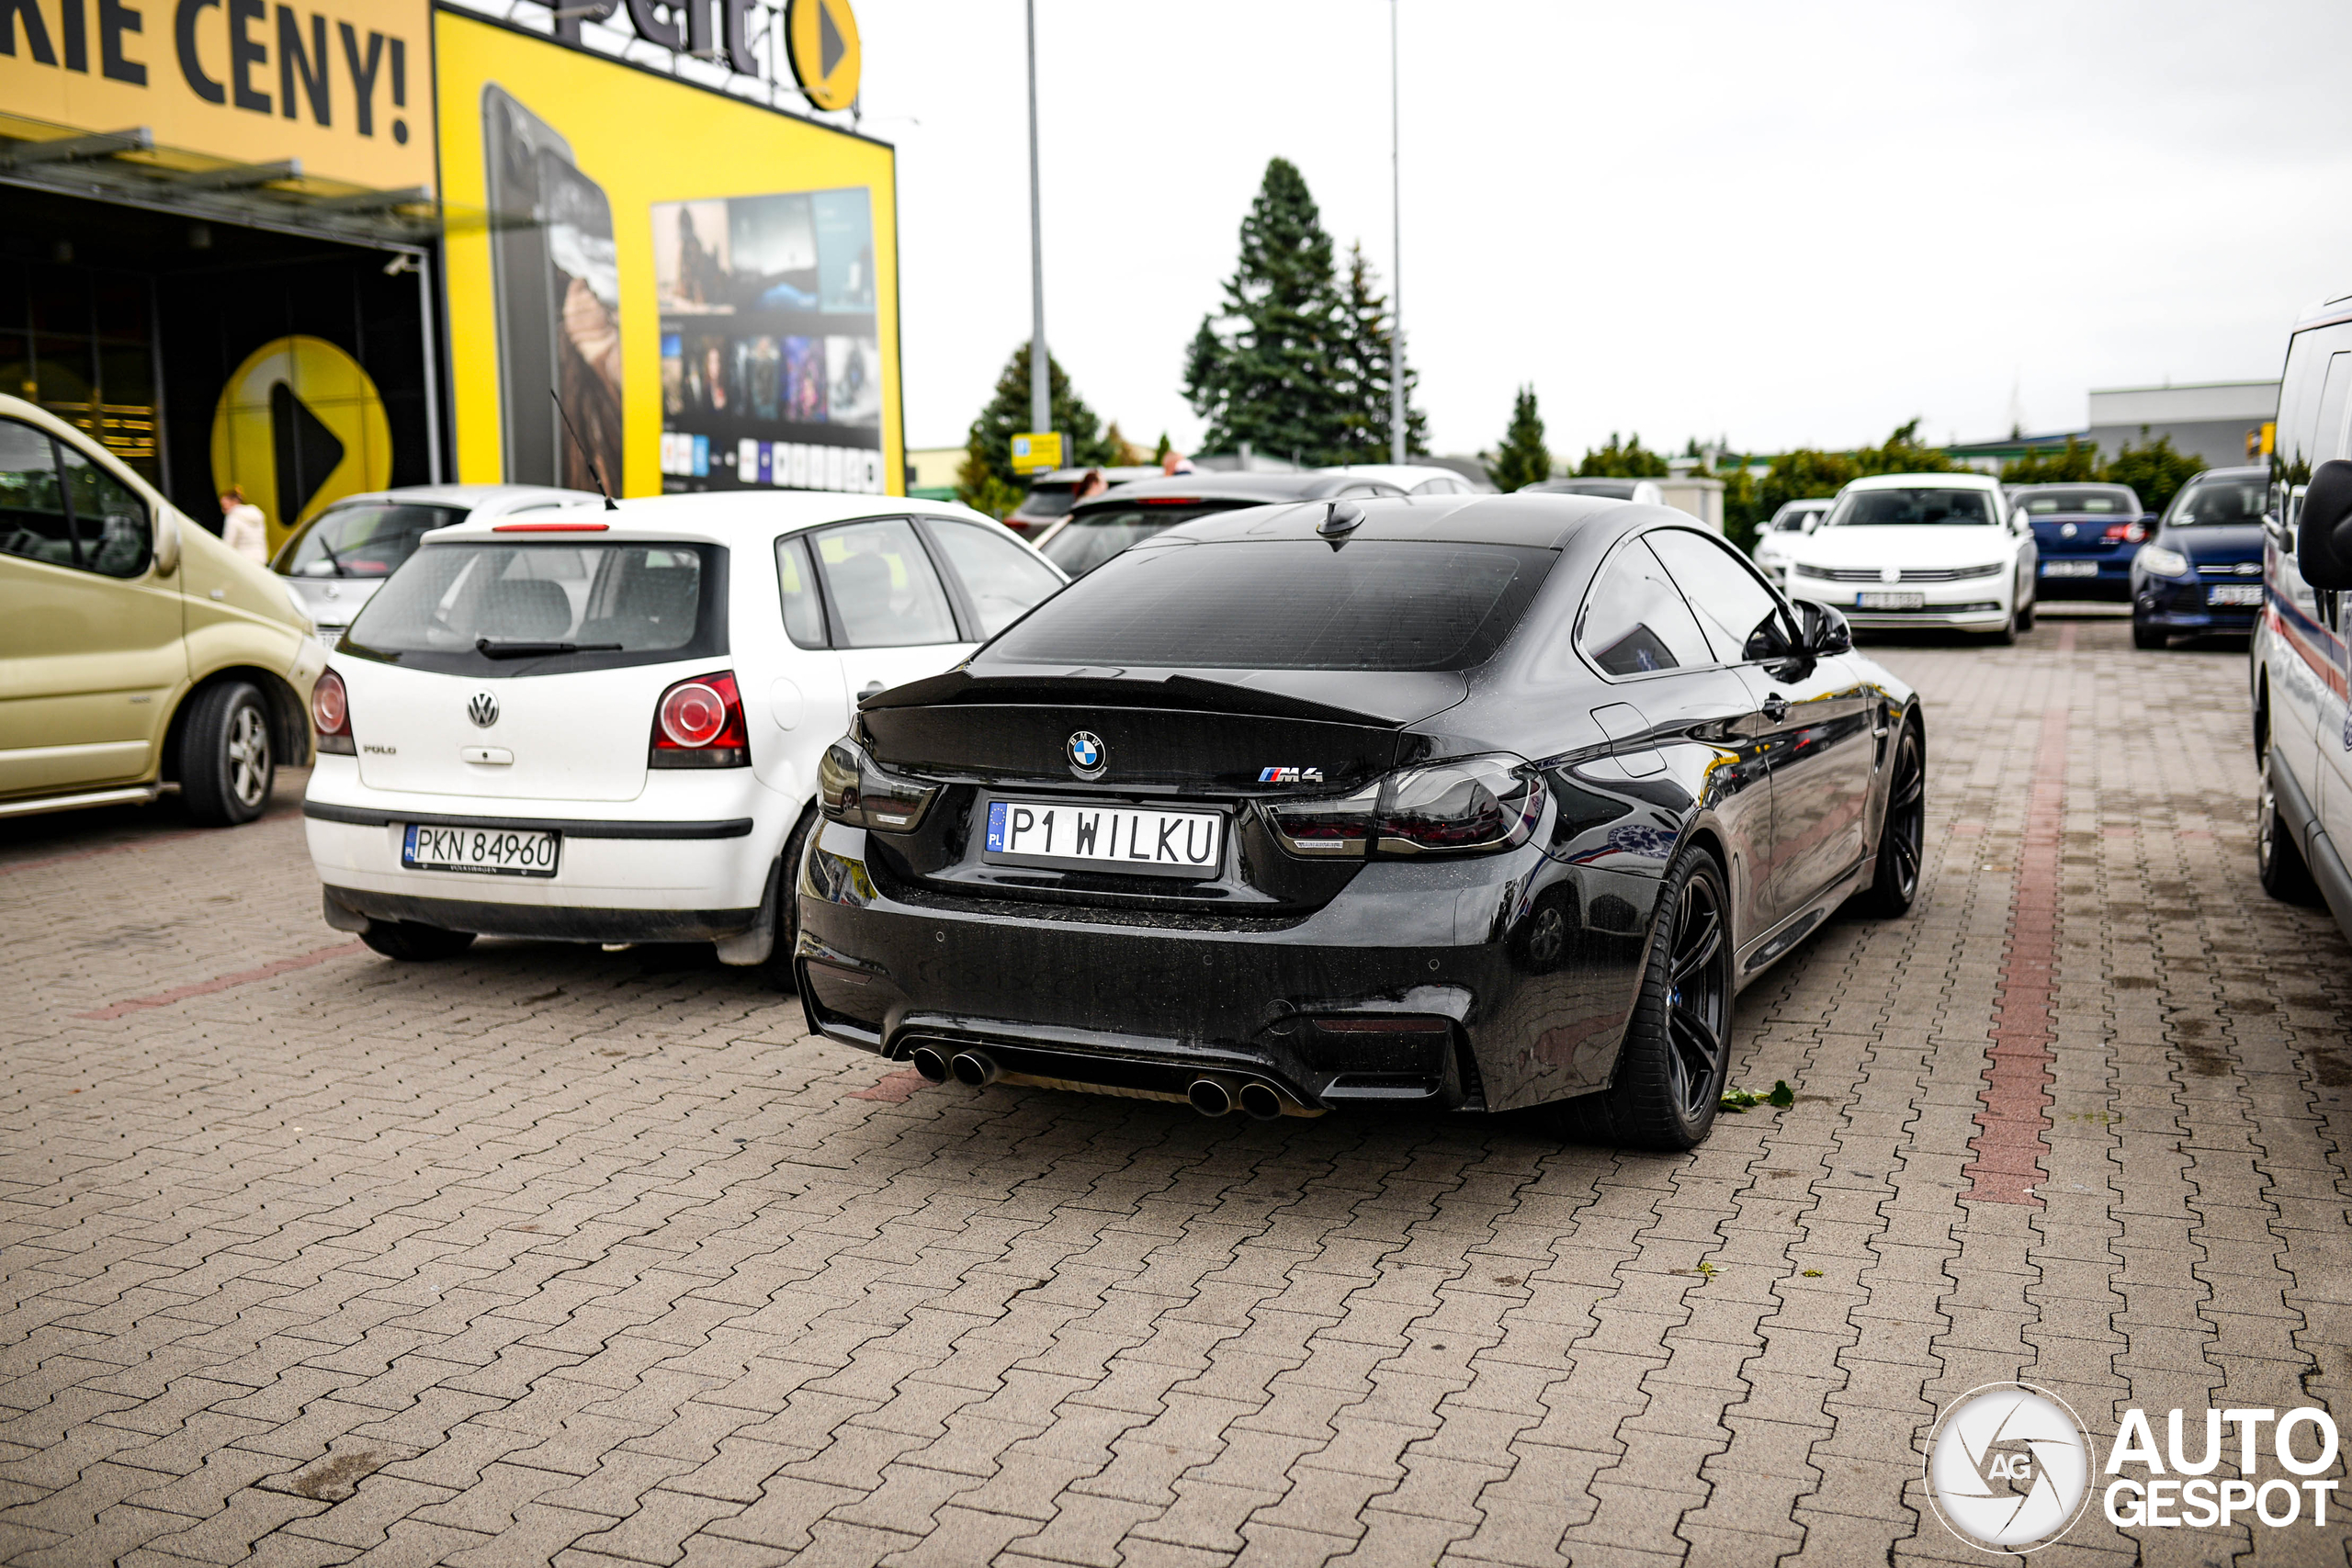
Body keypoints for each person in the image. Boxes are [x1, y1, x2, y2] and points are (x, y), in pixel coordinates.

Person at [219, 487, 267, 564]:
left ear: (234, 502)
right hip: (261, 558)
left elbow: (228, 542)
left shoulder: (233, 517)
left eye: (224, 505)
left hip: (243, 560)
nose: (223, 510)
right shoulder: (257, 514)